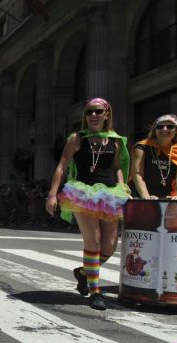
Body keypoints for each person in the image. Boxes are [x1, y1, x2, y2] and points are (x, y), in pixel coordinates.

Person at [45, 98, 130, 310]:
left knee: (109, 247)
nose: (93, 115)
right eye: (89, 112)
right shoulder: (77, 138)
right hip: (82, 194)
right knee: (93, 241)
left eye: (98, 111)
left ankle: (83, 273)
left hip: (110, 194)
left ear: (107, 114)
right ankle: (95, 292)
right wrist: (52, 195)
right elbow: (61, 167)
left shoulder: (116, 140)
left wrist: (122, 187)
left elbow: (118, 167)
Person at [131, 114, 177, 199]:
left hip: (167, 198)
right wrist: (146, 196)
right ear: (155, 130)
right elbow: (137, 174)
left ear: (176, 130)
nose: (164, 129)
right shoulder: (142, 147)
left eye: (170, 126)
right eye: (160, 126)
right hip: (140, 196)